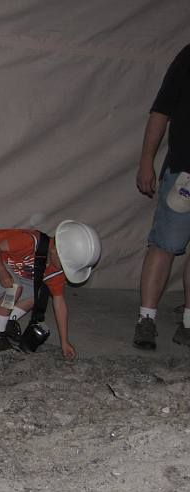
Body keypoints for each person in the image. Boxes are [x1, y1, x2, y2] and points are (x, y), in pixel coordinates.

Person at [0, 221, 101, 360]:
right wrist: (2, 271)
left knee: (39, 294)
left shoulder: (55, 268)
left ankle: (7, 322)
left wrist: (64, 342)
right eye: (63, 265)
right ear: (56, 250)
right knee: (14, 289)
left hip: (14, 268)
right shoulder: (29, 241)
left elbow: (59, 303)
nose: (62, 270)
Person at [133, 43, 190, 351]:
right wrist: (147, 161)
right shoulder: (189, 57)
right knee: (166, 244)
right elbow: (161, 111)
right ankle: (147, 319)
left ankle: (189, 323)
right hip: (185, 171)